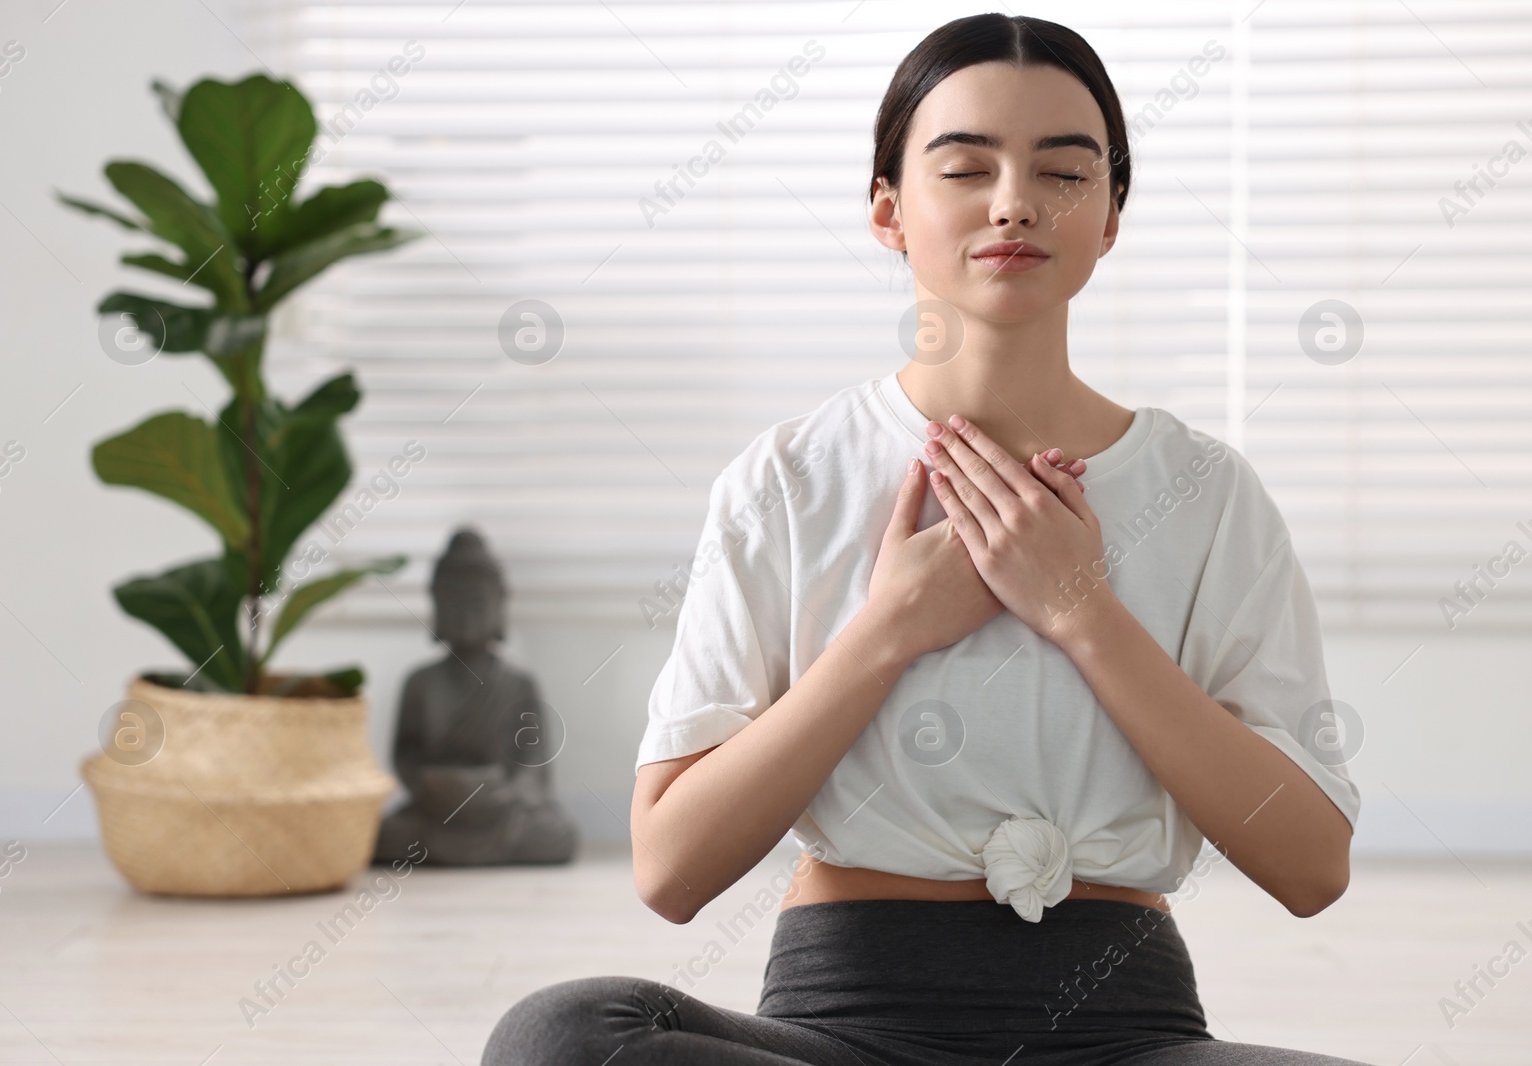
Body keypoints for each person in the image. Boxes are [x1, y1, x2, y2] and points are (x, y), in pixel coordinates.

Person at [484, 12, 1370, 1065]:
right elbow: (669, 868)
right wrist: (888, 629)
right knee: (566, 1037)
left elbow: (1311, 867)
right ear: (887, 209)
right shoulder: (786, 480)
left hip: (1125, 1034)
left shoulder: (1206, 493)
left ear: (1112, 214)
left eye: (1065, 170)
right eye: (964, 166)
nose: (1014, 203)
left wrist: (1082, 613)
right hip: (842, 1030)